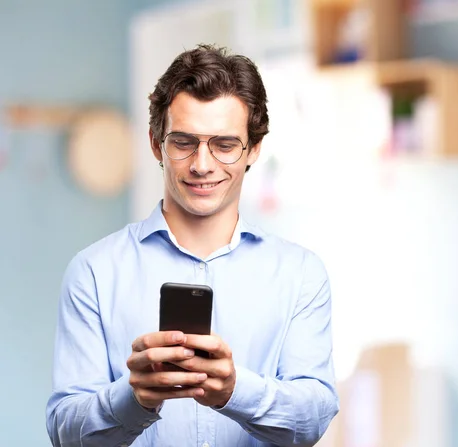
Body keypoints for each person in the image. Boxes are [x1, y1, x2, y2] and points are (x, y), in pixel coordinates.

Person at [46, 44, 339, 447]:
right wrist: (133, 399)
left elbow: (312, 422)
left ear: (253, 148)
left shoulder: (301, 274)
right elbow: (66, 433)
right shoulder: (94, 271)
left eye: (224, 144)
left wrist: (236, 391)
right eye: (183, 142)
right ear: (156, 144)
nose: (202, 164)